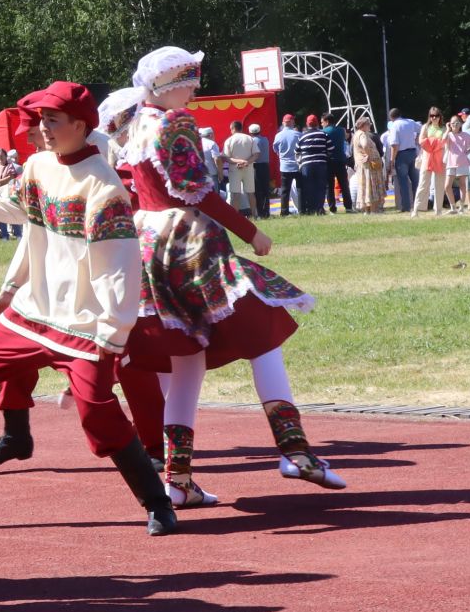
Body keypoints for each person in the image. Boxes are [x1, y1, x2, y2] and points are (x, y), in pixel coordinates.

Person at [0, 81, 181, 535]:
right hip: (33, 316)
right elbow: (5, 205)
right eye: (41, 120)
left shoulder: (103, 186)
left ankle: (157, 501)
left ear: (80, 125)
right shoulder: (37, 165)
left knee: (98, 413)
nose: (43, 129)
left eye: (53, 120)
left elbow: (117, 268)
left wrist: (114, 331)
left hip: (86, 324)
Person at [116, 48, 337, 506]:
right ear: (168, 83)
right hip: (189, 242)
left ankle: (177, 481)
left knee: (187, 361)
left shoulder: (137, 123)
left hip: (151, 244)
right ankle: (294, 451)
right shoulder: (173, 123)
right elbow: (192, 189)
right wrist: (250, 230)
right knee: (262, 333)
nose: (196, 88)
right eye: (190, 80)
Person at [412, 108, 449, 215]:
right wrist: (436, 143)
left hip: (440, 159)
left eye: (436, 115)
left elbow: (445, 141)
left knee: (439, 185)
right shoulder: (425, 127)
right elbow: (421, 142)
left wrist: (433, 142)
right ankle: (416, 209)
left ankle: (438, 210)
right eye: (432, 116)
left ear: (440, 116)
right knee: (423, 184)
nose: (434, 118)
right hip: (427, 158)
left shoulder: (443, 128)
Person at [295, 115, 331, 215]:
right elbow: (331, 149)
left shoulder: (302, 136)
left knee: (308, 187)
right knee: (321, 186)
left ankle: (311, 209)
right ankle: (319, 208)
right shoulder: (324, 134)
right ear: (317, 123)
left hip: (307, 165)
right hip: (321, 164)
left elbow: (297, 151)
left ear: (307, 124)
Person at [386, 108, 421, 212]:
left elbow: (394, 145)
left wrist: (392, 160)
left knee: (403, 182)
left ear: (391, 118)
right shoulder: (410, 122)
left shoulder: (394, 126)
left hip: (401, 155)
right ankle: (419, 204)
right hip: (413, 152)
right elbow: (423, 129)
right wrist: (417, 139)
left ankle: (406, 206)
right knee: (416, 181)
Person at [222, 120, 258, 217]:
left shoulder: (229, 140)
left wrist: (238, 162)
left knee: (235, 194)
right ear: (241, 128)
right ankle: (254, 215)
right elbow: (256, 154)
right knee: (251, 193)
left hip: (234, 169)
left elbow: (226, 157)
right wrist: (246, 162)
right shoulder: (250, 139)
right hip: (248, 167)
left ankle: (235, 217)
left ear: (233, 129)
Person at [350, 115, 384, 212]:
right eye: (369, 124)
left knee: (364, 187)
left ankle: (367, 210)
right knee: (371, 186)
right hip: (369, 165)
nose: (370, 126)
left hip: (362, 164)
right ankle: (373, 210)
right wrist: (369, 155)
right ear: (364, 125)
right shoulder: (363, 134)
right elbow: (364, 144)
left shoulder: (356, 134)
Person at [272, 114, 302, 216]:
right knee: (299, 188)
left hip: (285, 166)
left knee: (285, 190)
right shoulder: (298, 134)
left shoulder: (278, 135)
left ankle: (284, 211)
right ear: (292, 122)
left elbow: (275, 149)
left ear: (283, 123)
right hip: (297, 165)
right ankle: (302, 209)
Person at [444, 113, 470, 213]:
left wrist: (468, 151)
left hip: (462, 161)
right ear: (449, 124)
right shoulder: (449, 135)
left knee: (462, 184)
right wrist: (447, 129)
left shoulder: (464, 135)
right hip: (450, 161)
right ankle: (453, 207)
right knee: (447, 186)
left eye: (457, 123)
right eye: (452, 123)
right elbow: (442, 141)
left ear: (461, 124)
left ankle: (461, 206)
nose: (455, 125)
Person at [323, 113, 350, 213]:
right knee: (344, 184)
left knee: (329, 186)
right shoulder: (341, 131)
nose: (322, 124)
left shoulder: (324, 132)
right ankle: (348, 206)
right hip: (341, 160)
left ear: (326, 121)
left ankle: (332, 208)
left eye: (322, 122)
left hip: (329, 161)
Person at [248, 123, 271, 219]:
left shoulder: (251, 141)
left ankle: (260, 212)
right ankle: (266, 211)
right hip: (265, 166)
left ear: (250, 132)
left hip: (256, 166)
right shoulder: (265, 139)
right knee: (266, 189)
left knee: (258, 190)